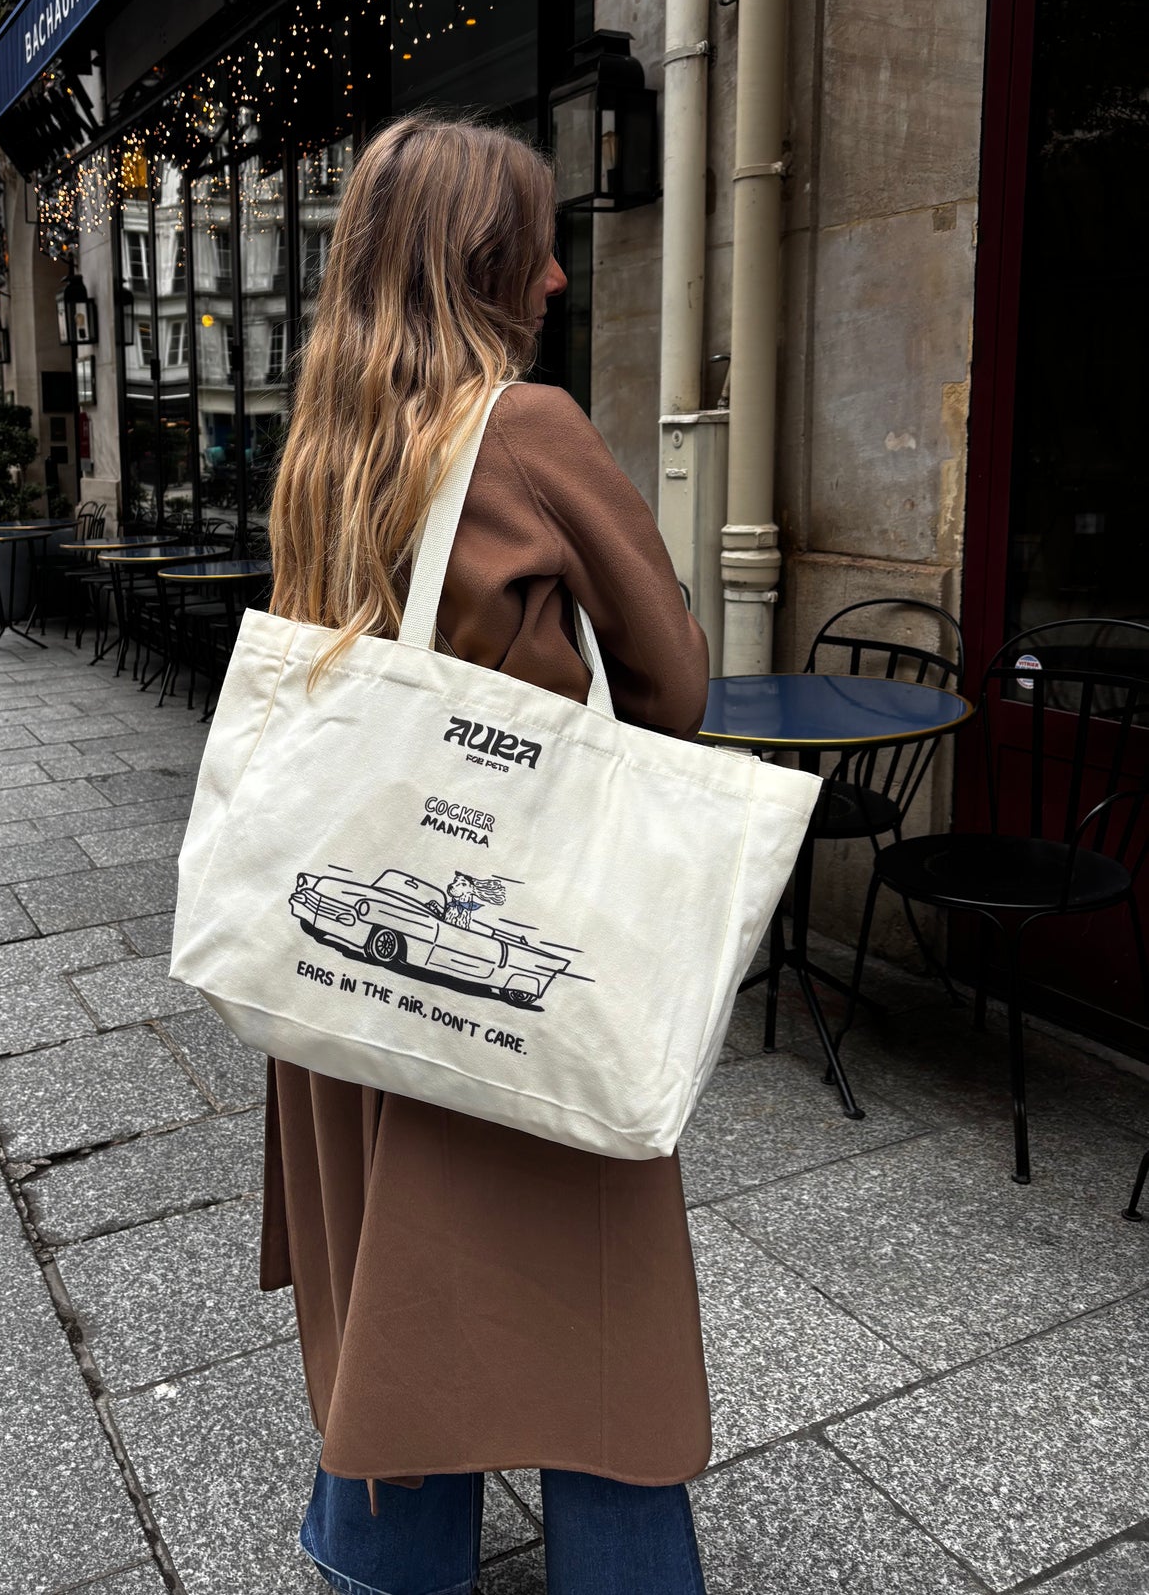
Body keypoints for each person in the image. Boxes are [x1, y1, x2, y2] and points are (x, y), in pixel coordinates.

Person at [266, 116, 712, 1595]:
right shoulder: (526, 426)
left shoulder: (324, 433)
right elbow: (676, 683)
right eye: (537, 242)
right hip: (499, 937)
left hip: (346, 948)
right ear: (485, 266)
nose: (563, 273)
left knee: (393, 1279)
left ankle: (380, 1555)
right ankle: (620, 1562)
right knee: (593, 1290)